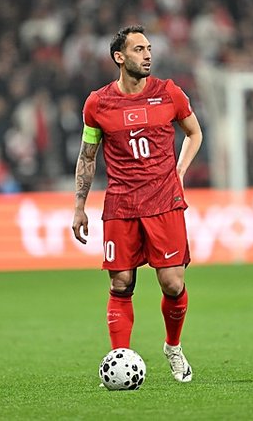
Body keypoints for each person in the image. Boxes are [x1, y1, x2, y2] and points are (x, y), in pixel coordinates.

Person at [71, 25, 203, 383]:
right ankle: (120, 359)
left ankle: (173, 347)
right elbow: (87, 156)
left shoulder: (169, 93)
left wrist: (179, 169)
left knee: (172, 283)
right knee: (121, 283)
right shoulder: (97, 104)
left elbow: (194, 133)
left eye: (148, 49)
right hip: (121, 204)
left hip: (164, 201)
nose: (147, 55)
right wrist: (79, 206)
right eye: (138, 49)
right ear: (119, 57)